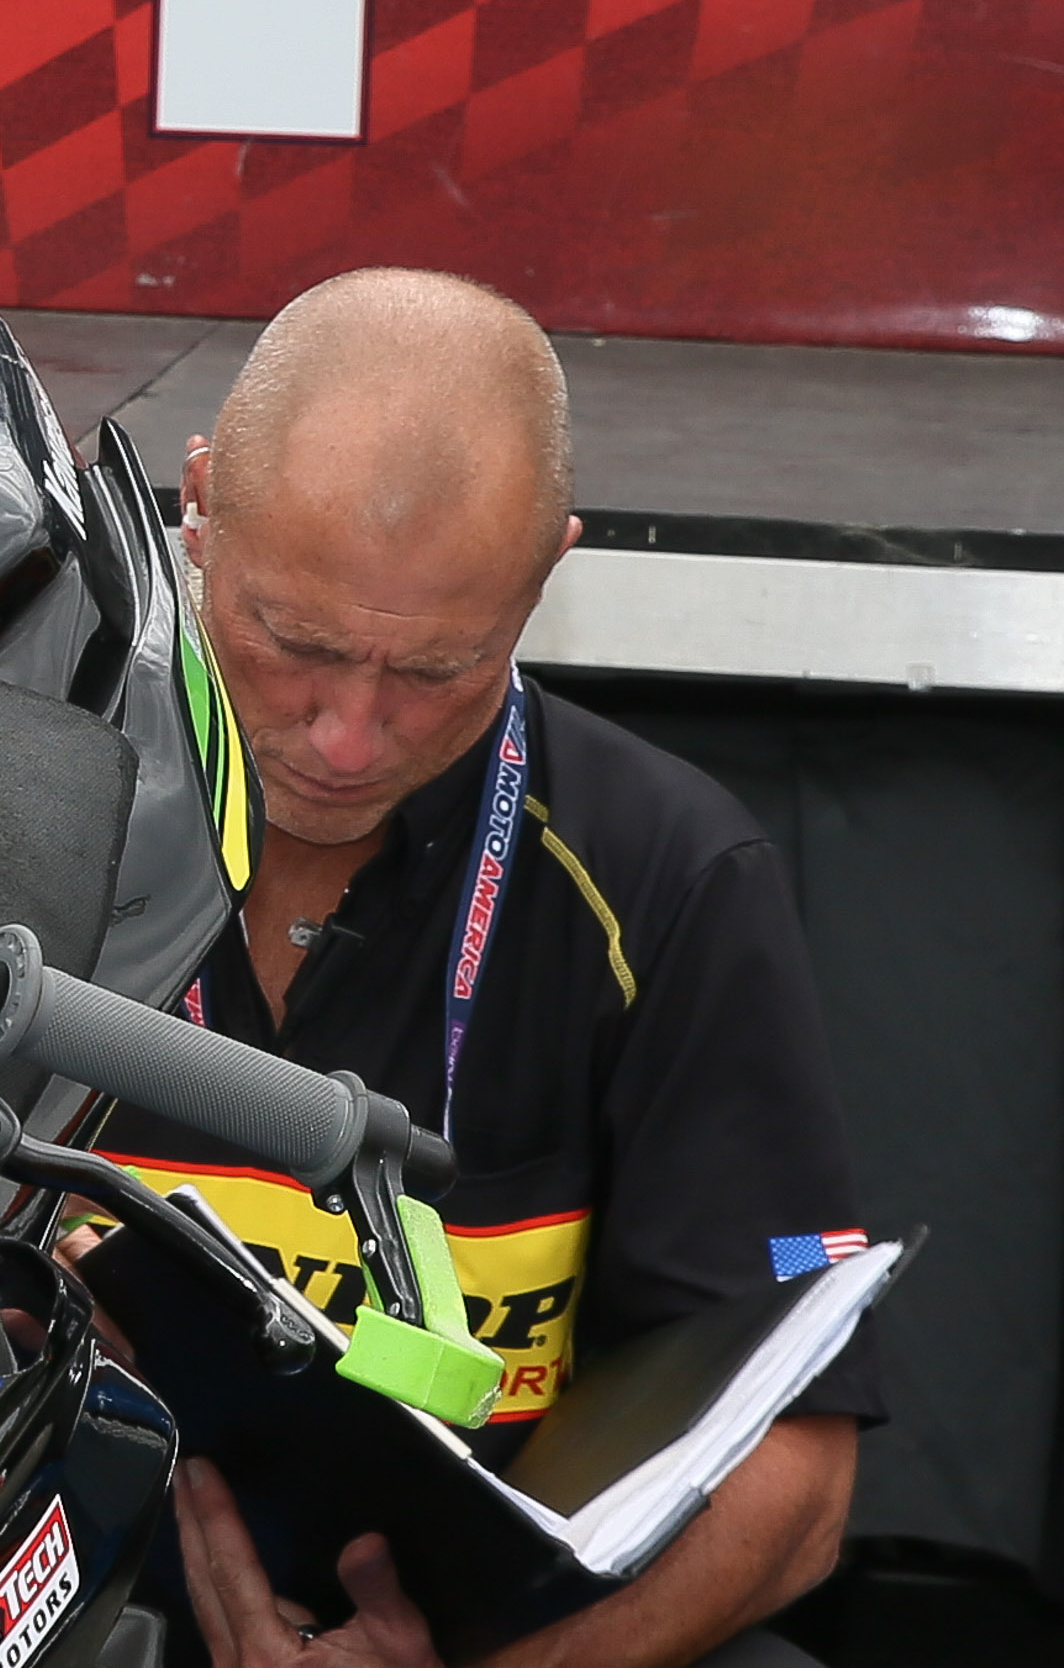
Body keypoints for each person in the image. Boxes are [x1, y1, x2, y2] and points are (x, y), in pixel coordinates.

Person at [116, 270, 870, 1668]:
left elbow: (797, 1476)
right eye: (293, 642)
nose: (347, 735)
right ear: (198, 506)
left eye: (438, 670)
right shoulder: (4, 798)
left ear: (547, 573)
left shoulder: (665, 874)